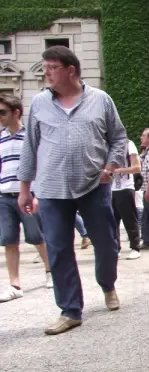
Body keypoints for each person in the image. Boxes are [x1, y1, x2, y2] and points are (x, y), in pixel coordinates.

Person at [17, 45, 127, 335]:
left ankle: (107, 284)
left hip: (93, 185)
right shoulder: (39, 103)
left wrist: (111, 166)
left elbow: (118, 137)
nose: (46, 73)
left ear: (70, 70)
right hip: (51, 189)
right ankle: (70, 310)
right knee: (58, 248)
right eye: (45, 67)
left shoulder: (100, 99)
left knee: (106, 243)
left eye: (52, 67)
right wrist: (24, 189)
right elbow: (30, 146)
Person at [0, 94, 52, 302]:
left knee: (37, 237)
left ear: (16, 112)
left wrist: (37, 193)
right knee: (9, 241)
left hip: (28, 195)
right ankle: (15, 284)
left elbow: (41, 166)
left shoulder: (30, 136)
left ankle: (50, 272)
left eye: (2, 112)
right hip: (4, 195)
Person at [111, 139, 141, 260]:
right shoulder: (107, 145)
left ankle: (135, 247)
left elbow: (137, 167)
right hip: (111, 189)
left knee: (129, 219)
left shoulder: (129, 144)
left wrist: (119, 170)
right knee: (112, 221)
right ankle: (115, 248)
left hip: (125, 187)